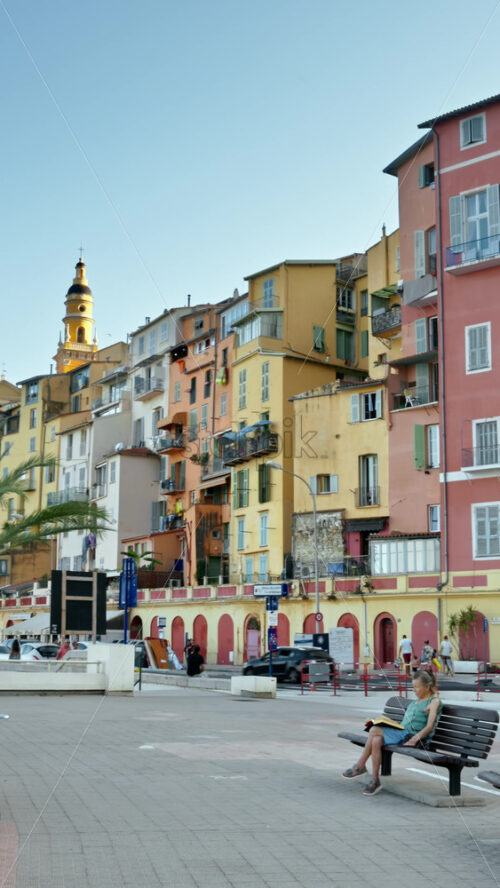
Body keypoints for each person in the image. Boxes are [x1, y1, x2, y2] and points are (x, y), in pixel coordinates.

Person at [342, 670, 441, 796]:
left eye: (416, 687)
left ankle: (360, 765)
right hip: (402, 733)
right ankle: (375, 780)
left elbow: (429, 726)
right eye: (413, 687)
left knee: (374, 729)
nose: (414, 690)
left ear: (427, 687)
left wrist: (415, 739)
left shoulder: (434, 702)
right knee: (376, 739)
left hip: (411, 737)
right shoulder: (415, 702)